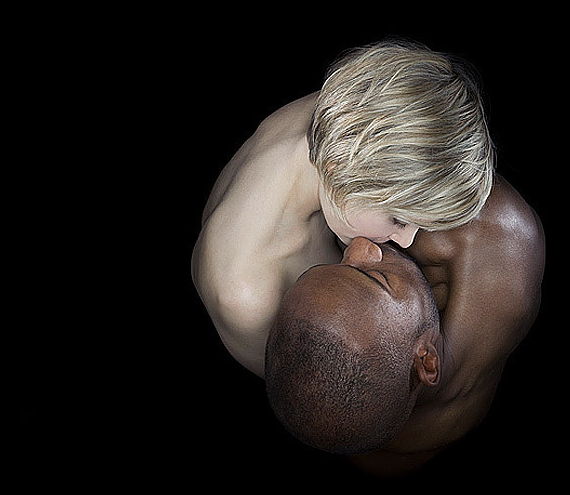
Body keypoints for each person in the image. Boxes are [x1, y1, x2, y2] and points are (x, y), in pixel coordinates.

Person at [192, 39, 495, 377]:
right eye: (398, 219)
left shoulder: (359, 112)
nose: (407, 240)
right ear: (340, 166)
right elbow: (315, 389)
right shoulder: (248, 295)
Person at [266, 172, 544, 475]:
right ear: (427, 360)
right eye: (377, 279)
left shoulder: (379, 443)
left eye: (334, 266)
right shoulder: (495, 231)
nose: (355, 248)